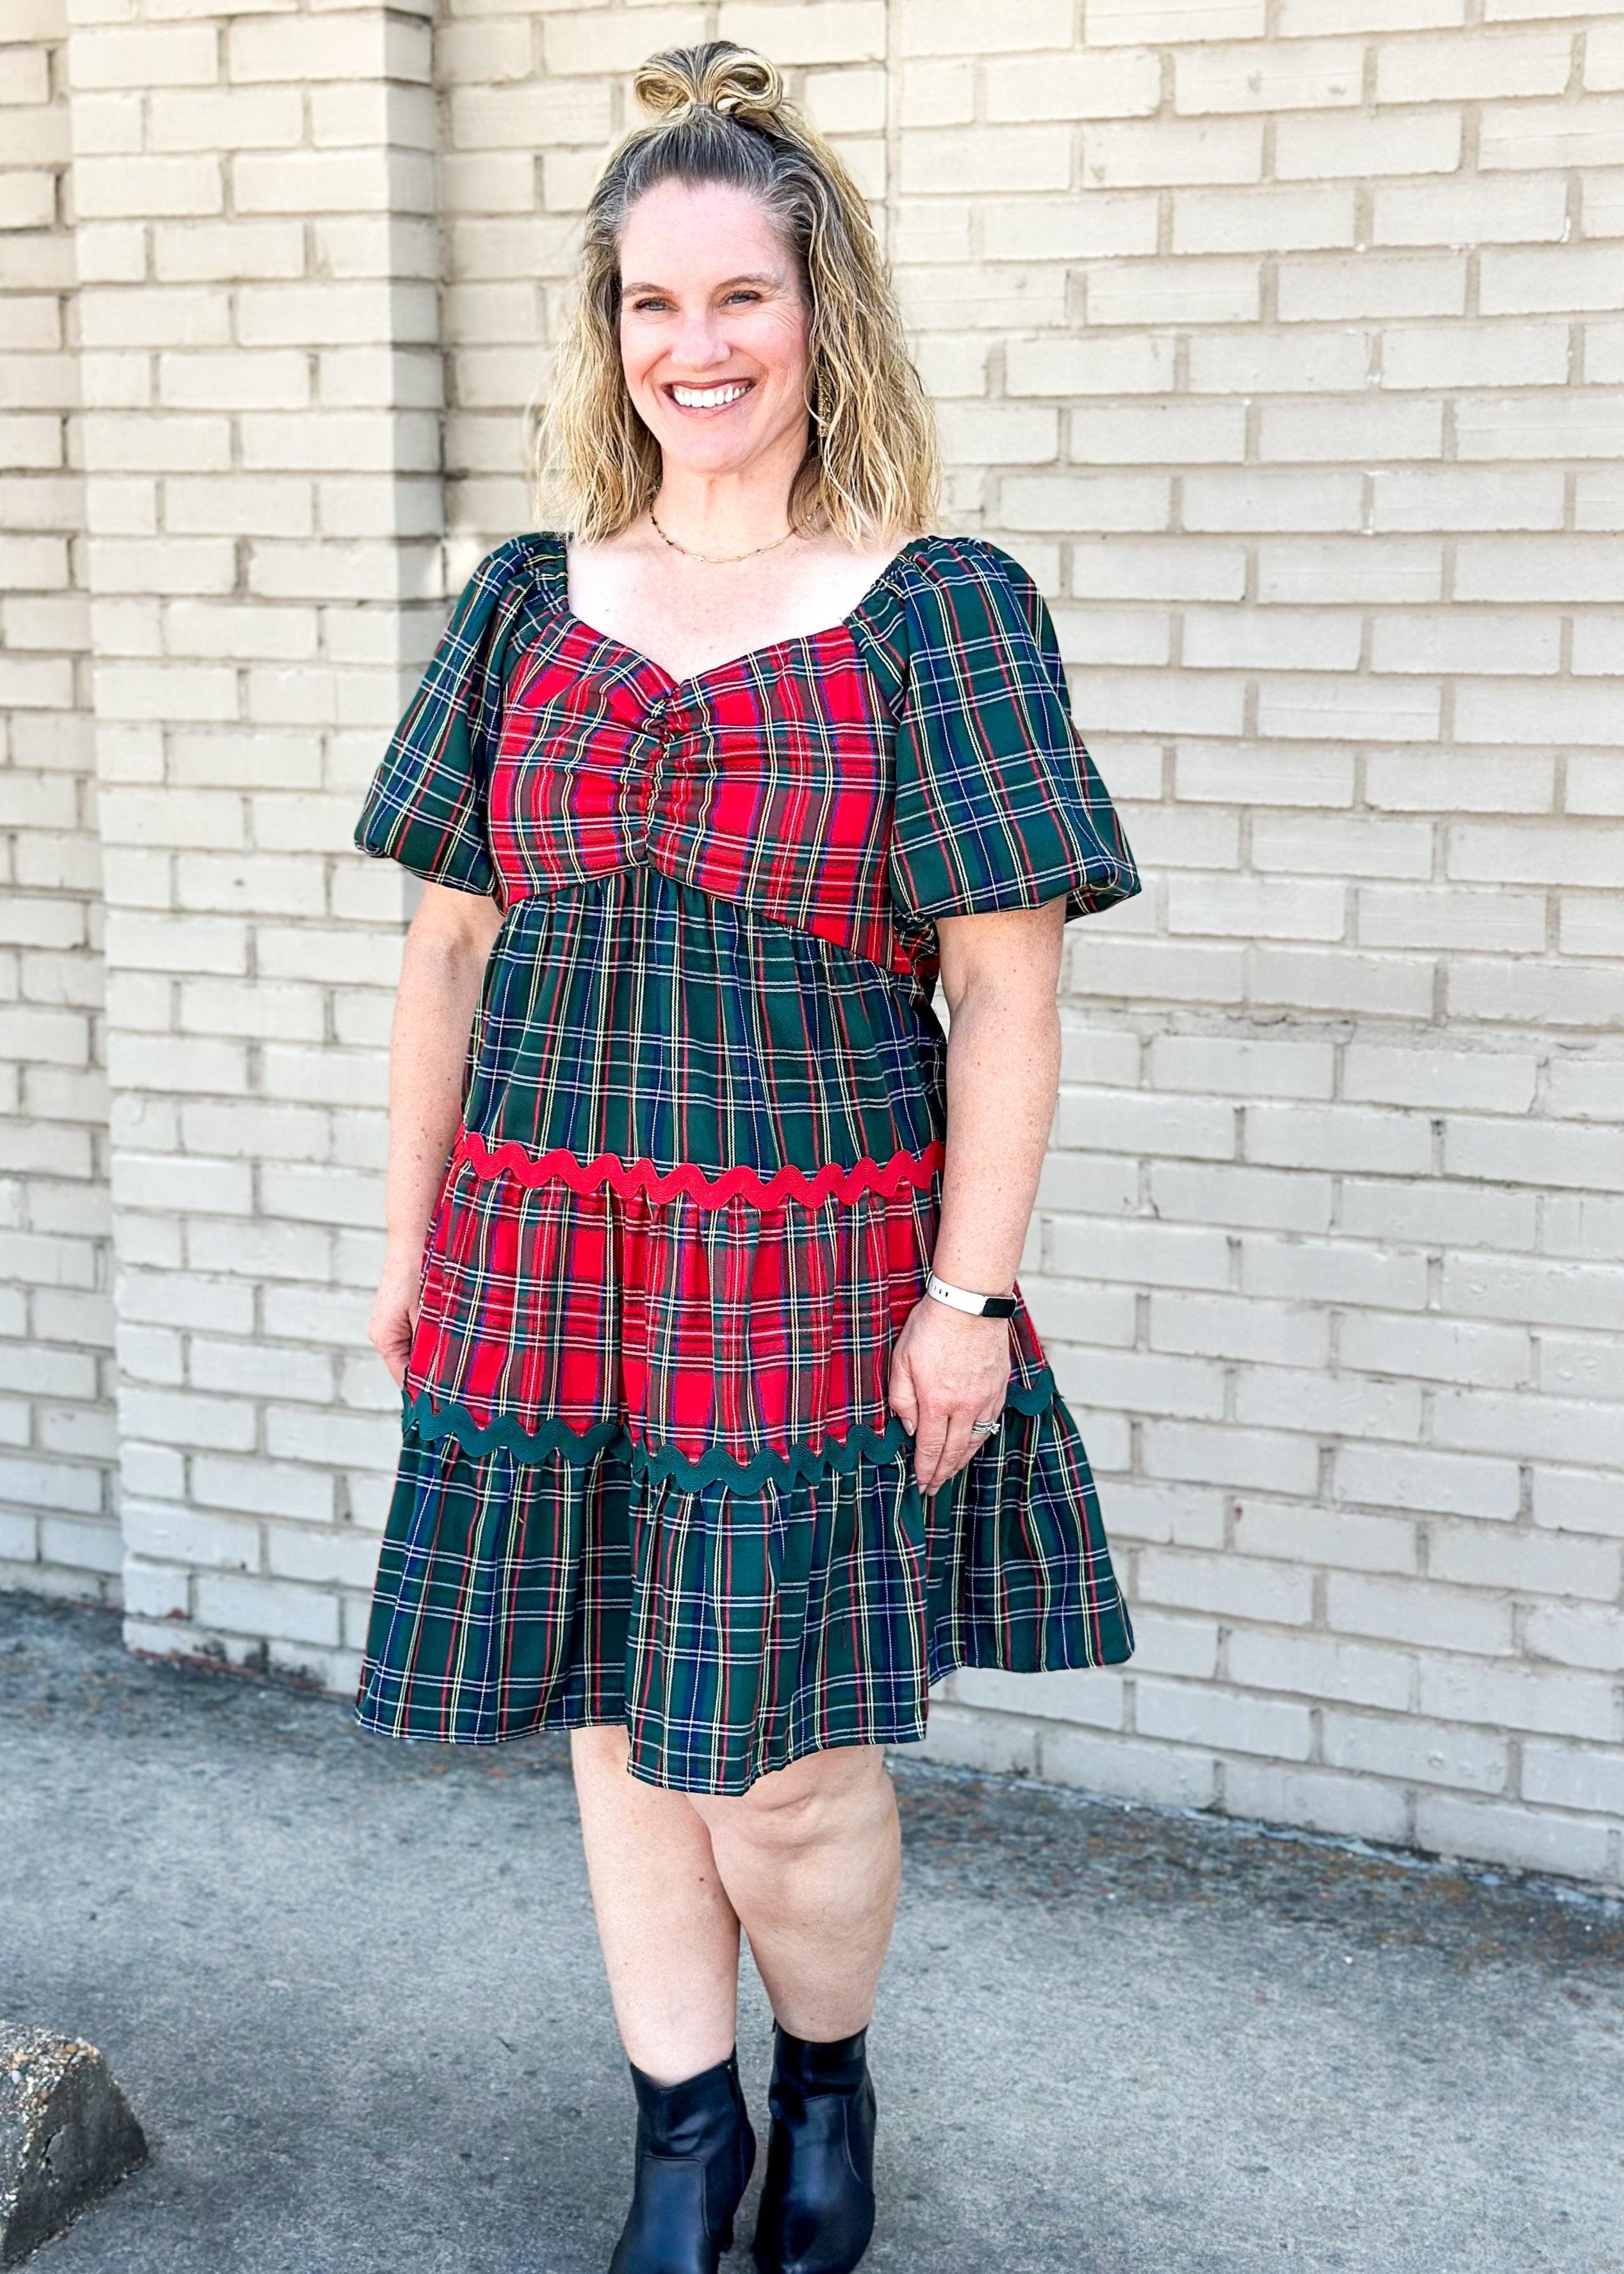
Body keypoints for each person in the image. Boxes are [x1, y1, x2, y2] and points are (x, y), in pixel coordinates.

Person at [351, 40, 1141, 2274]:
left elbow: (1004, 992)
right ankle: (678, 2138)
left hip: (811, 1260)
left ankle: (823, 2086)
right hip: (543, 1239)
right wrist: (412, 1248)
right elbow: (441, 962)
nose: (694, 349)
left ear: (822, 316)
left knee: (779, 1766)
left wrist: (968, 1293)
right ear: (610, 337)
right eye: (649, 306)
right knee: (614, 1713)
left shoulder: (941, 606)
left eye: (739, 300)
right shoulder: (526, 599)